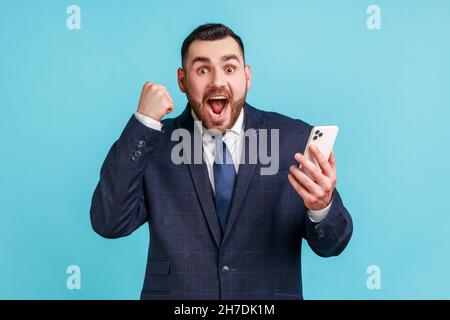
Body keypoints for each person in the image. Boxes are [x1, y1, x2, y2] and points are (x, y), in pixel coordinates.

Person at [90, 23, 353, 300]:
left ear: (247, 76)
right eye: (202, 70)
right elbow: (109, 222)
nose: (217, 81)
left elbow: (332, 244)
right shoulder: (153, 143)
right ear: (182, 81)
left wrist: (322, 207)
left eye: (229, 69)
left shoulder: (293, 140)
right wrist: (142, 124)